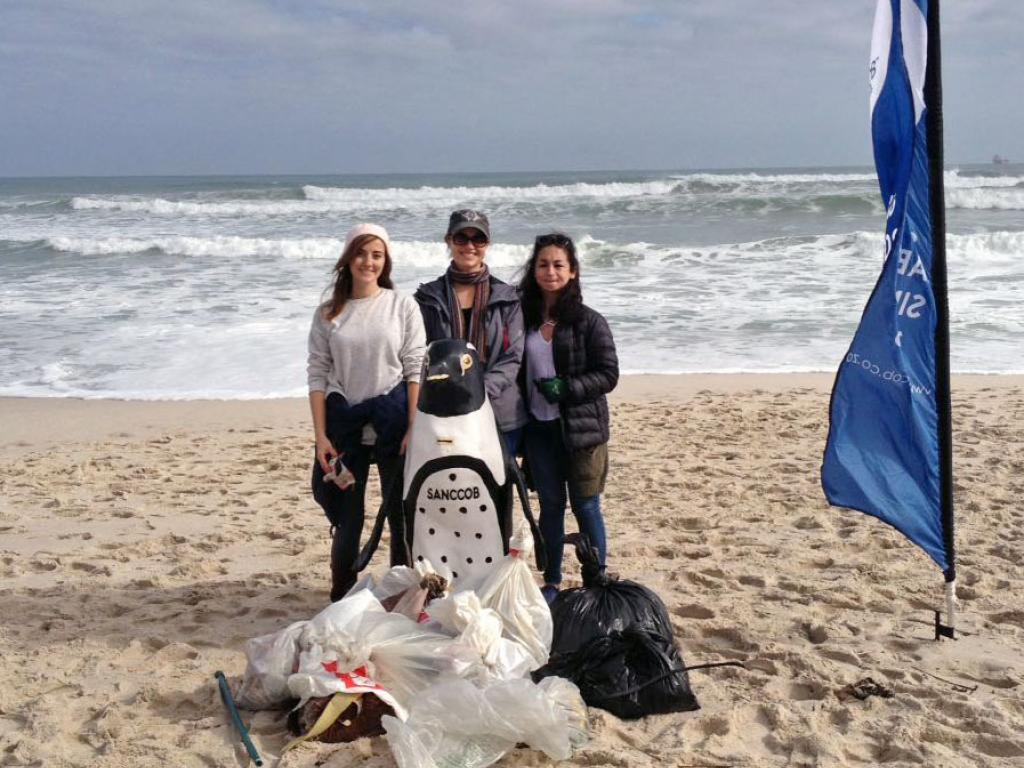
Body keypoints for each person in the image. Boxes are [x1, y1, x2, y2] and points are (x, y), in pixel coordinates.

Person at [307, 223, 426, 601]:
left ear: (385, 261)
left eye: (377, 255)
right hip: (344, 424)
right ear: (348, 258)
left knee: (399, 516)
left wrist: (413, 426)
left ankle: (400, 593)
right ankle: (340, 592)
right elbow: (317, 374)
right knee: (349, 518)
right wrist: (320, 436)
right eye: (360, 253)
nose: (368, 262)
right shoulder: (329, 313)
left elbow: (415, 367)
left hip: (393, 421)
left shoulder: (401, 305)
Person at [517, 233, 618, 604]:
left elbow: (608, 374)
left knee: (586, 505)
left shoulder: (589, 322)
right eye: (543, 264)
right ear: (534, 270)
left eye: (558, 264)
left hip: (582, 431)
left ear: (572, 271)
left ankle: (597, 578)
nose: (550, 271)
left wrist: (569, 387)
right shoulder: (523, 318)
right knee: (550, 507)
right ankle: (553, 581)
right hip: (538, 428)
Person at [414, 210, 527, 454]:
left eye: (478, 239)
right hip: (444, 413)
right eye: (461, 238)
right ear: (448, 241)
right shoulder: (427, 298)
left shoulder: (508, 298)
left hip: (499, 411)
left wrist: (478, 390)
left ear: (488, 244)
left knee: (499, 477)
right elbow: (419, 354)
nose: (470, 246)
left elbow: (513, 357)